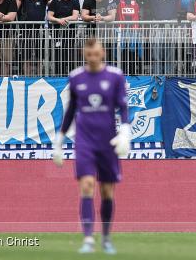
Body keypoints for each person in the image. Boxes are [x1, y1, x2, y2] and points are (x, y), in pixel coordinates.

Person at [52, 39, 131, 255]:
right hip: (84, 141)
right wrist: (59, 141)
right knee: (87, 185)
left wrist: (125, 130)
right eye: (89, 54)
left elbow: (123, 107)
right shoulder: (76, 77)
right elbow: (70, 111)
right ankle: (88, 239)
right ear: (85, 54)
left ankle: (105, 237)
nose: (93, 57)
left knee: (107, 191)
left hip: (107, 141)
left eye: (96, 53)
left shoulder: (115, 76)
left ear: (102, 53)